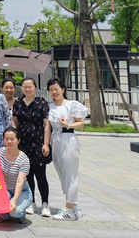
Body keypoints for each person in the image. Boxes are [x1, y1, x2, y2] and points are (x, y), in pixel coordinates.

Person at [47, 77, 88, 221]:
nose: (54, 92)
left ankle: (69, 209)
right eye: (51, 90)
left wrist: (68, 125)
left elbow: (81, 124)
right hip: (55, 140)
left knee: (70, 174)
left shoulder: (71, 105)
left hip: (68, 139)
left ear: (63, 89)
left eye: (56, 89)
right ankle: (73, 206)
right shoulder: (50, 106)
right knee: (61, 173)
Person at [13, 77, 52, 217]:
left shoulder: (41, 102)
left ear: (35, 88)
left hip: (38, 143)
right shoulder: (18, 103)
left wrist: (46, 144)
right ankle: (32, 202)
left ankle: (45, 204)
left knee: (41, 175)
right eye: (25, 86)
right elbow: (15, 122)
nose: (27, 89)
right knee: (27, 175)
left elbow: (46, 124)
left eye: (30, 86)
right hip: (23, 144)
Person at [0, 127, 33, 224]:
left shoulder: (23, 159)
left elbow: (20, 182)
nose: (9, 141)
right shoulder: (0, 152)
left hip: (22, 191)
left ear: (18, 140)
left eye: (12, 139)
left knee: (15, 212)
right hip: (5, 190)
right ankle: (4, 215)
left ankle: (21, 213)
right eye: (6, 139)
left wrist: (14, 201)